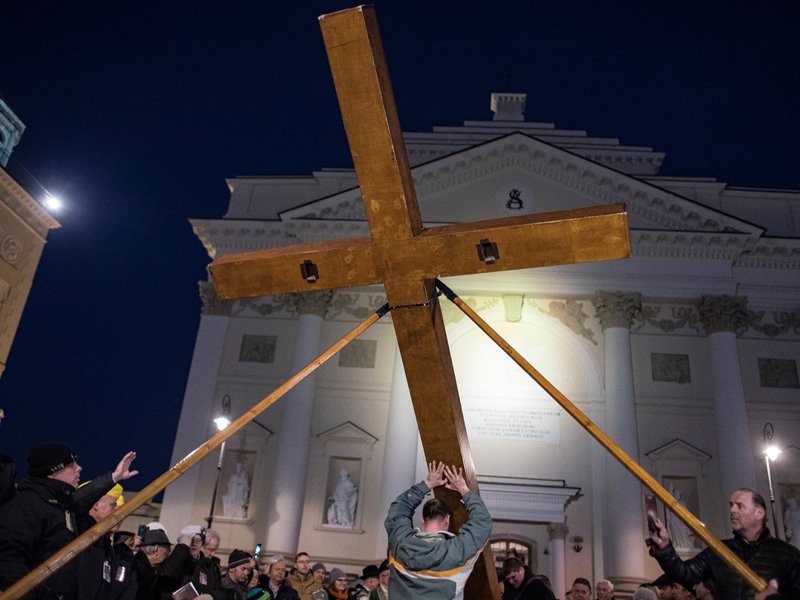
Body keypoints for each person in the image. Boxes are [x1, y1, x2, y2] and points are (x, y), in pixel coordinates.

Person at [0, 443, 138, 599]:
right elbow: (9, 561)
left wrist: (113, 477)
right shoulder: (27, 506)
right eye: (72, 464)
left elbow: (81, 499)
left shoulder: (60, 506)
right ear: (54, 471)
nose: (79, 468)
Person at [649, 487, 800, 600]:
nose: (732, 510)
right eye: (731, 505)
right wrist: (665, 549)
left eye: (740, 506)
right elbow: (685, 574)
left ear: (759, 513)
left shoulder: (788, 554)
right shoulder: (718, 550)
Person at [385, 461, 491, 599]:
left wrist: (427, 484)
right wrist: (463, 489)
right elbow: (482, 522)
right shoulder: (457, 553)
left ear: (422, 519)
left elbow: (397, 511)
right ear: (447, 520)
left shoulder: (399, 546)